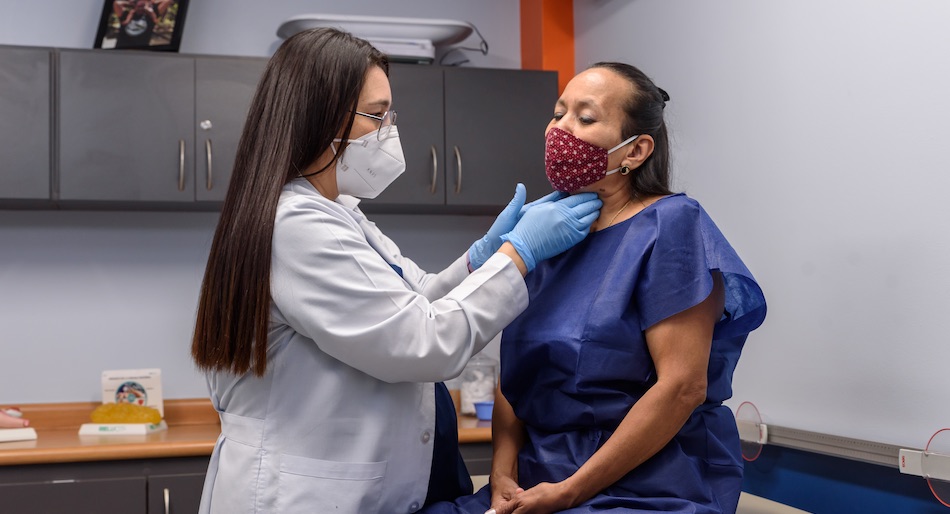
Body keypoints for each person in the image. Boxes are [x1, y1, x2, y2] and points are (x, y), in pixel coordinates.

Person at [189, 27, 603, 514]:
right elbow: (422, 342)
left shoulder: (339, 212)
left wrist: (486, 253)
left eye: (391, 115)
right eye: (376, 116)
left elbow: (417, 297)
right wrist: (519, 254)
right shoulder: (298, 225)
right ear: (320, 118)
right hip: (303, 495)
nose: (390, 131)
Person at [422, 63, 767, 514]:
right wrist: (503, 474)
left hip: (647, 480)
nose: (559, 129)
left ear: (637, 150)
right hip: (538, 473)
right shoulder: (550, 234)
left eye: (585, 118)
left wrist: (570, 491)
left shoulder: (671, 226)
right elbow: (515, 382)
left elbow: (683, 387)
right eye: (558, 112)